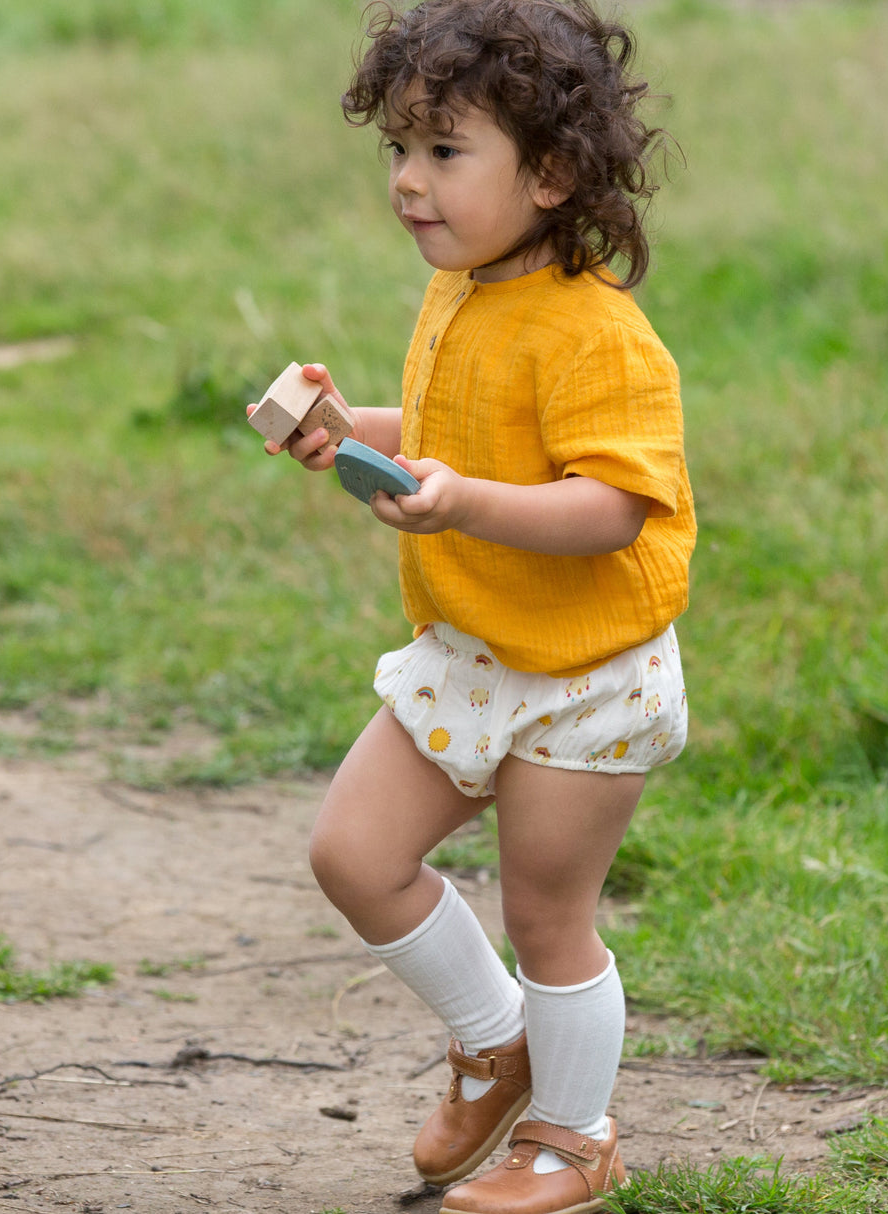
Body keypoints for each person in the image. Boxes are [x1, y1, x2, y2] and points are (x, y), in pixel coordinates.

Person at [249, 1, 695, 1210]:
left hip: (585, 677)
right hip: (473, 651)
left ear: (549, 174)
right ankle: (495, 1036)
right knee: (352, 852)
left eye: (444, 151)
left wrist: (462, 503)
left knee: (548, 913)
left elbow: (612, 506)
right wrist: (352, 433)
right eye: (399, 147)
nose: (408, 180)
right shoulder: (460, 290)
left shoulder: (599, 335)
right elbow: (458, 433)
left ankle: (573, 1136)